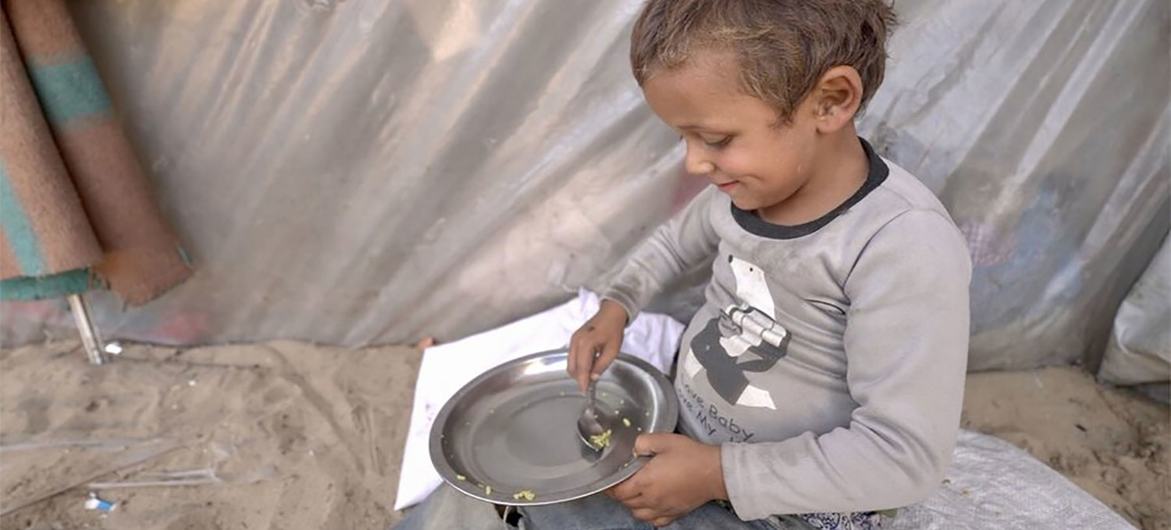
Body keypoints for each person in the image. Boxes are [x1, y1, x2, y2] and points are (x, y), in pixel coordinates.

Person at [544, 0, 971, 528]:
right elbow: (672, 245)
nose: (694, 162)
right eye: (683, 137)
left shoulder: (901, 245)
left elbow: (903, 455)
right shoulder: (740, 194)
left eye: (717, 139)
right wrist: (617, 306)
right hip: (688, 439)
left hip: (795, 504)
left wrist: (717, 474)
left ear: (831, 102)